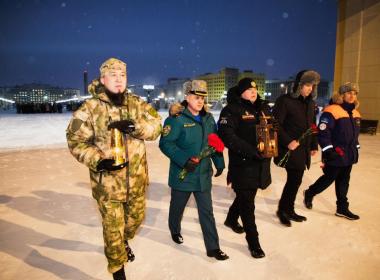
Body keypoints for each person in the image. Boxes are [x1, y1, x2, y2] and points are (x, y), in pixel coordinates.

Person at [66, 58, 162, 280]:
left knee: (134, 222)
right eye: (114, 76)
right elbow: (75, 141)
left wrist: (136, 127)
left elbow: (157, 126)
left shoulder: (137, 103)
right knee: (113, 230)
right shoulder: (89, 109)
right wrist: (98, 160)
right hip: (108, 185)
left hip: (137, 181)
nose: (119, 80)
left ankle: (124, 240)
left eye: (123, 76)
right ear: (103, 79)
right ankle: (117, 269)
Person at [159, 80, 229, 261]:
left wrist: (219, 163)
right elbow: (165, 143)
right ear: (187, 97)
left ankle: (213, 248)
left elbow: (213, 142)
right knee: (178, 207)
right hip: (183, 175)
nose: (200, 102)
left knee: (207, 212)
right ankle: (174, 229)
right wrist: (183, 160)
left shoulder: (208, 118)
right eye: (196, 98)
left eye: (202, 98)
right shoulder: (176, 119)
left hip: (203, 175)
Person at [218, 78, 275, 258]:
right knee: (248, 204)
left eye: (255, 88)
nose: (253, 91)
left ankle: (230, 219)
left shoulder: (263, 108)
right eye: (249, 89)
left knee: (246, 197)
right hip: (243, 164)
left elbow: (272, 127)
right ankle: (254, 242)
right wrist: (251, 151)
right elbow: (227, 136)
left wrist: (274, 136)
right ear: (241, 91)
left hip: (261, 164)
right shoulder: (231, 110)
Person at [304, 82, 361, 220]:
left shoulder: (355, 112)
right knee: (329, 178)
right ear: (341, 95)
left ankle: (342, 208)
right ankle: (310, 193)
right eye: (348, 93)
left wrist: (356, 147)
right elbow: (323, 132)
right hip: (335, 153)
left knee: (344, 180)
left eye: (354, 93)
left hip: (349, 154)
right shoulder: (331, 110)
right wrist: (328, 150)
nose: (352, 96)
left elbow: (354, 135)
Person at [273, 70, 320, 227]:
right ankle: (283, 210)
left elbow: (312, 126)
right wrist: (288, 141)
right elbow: (275, 124)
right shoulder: (285, 101)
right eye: (307, 85)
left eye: (312, 86)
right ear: (299, 85)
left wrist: (313, 144)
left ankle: (288, 209)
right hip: (291, 149)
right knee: (294, 180)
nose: (310, 89)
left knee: (295, 181)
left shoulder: (310, 103)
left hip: (304, 148)